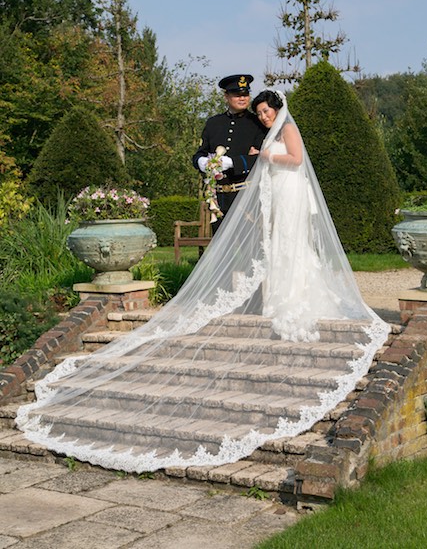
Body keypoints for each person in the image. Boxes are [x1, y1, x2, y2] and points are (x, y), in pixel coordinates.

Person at [16, 90, 390, 473]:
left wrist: (261, 157)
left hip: (282, 191)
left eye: (265, 110)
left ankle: (292, 297)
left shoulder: (275, 130)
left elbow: (291, 159)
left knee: (289, 247)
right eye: (257, 109)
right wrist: (207, 161)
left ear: (275, 109)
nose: (261, 115)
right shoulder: (223, 125)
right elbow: (206, 151)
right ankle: (271, 297)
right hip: (258, 194)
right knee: (276, 249)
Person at [192, 74, 266, 232]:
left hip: (246, 196)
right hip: (218, 199)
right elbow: (200, 153)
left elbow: (263, 158)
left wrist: (234, 163)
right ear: (226, 96)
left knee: (249, 244)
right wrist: (201, 162)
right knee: (219, 243)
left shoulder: (257, 123)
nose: (242, 98)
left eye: (245, 94)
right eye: (237, 94)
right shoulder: (213, 123)